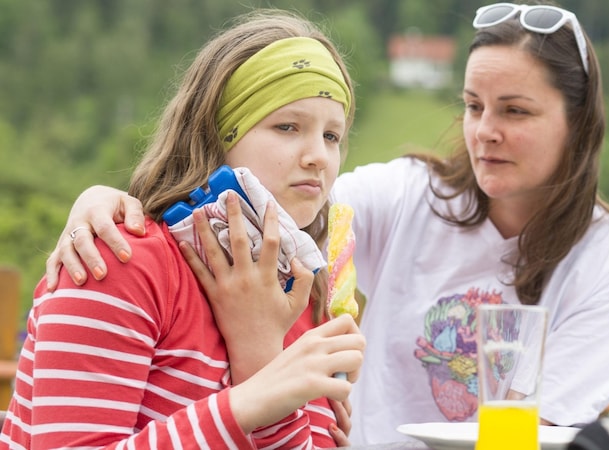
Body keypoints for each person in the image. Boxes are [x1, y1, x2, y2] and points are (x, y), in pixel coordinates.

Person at [43, 1, 609, 444]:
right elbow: (287, 204)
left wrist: (267, 371)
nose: (484, 131)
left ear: (579, 123)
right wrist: (108, 199)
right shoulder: (411, 197)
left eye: (515, 110)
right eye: (472, 106)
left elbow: (536, 431)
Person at [1, 9, 367, 449]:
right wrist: (253, 399)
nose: (319, 157)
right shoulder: (117, 262)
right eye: (287, 126)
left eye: (332, 135)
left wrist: (261, 357)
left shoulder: (303, 298)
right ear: (216, 136)